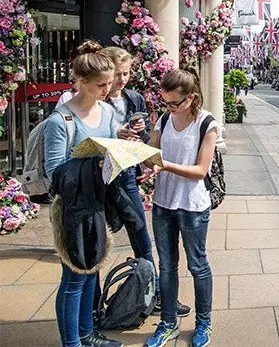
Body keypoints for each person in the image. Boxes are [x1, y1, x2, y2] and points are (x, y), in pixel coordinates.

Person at [100, 47, 191, 317]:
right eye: (117, 74)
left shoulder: (134, 98)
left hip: (125, 173)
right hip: (97, 176)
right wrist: (116, 133)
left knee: (140, 232)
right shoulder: (95, 100)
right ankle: (92, 306)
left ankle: (156, 293)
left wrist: (138, 137)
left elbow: (143, 140)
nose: (122, 79)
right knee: (94, 242)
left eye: (127, 73)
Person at [44, 41, 122, 347]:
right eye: (100, 85)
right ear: (81, 83)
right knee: (74, 276)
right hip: (73, 207)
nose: (106, 89)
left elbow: (113, 153)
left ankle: (87, 334)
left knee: (92, 271)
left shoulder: (107, 112)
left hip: (98, 202)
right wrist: (91, 163)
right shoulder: (60, 120)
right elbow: (55, 173)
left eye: (109, 83)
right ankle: (72, 342)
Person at [142, 67, 218, 347]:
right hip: (163, 203)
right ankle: (168, 322)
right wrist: (144, 160)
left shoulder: (206, 123)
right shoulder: (163, 120)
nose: (170, 107)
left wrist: (164, 165)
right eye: (166, 102)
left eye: (175, 102)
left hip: (192, 206)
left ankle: (203, 323)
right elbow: (152, 154)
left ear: (191, 98)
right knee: (167, 266)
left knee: (198, 265)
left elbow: (200, 170)